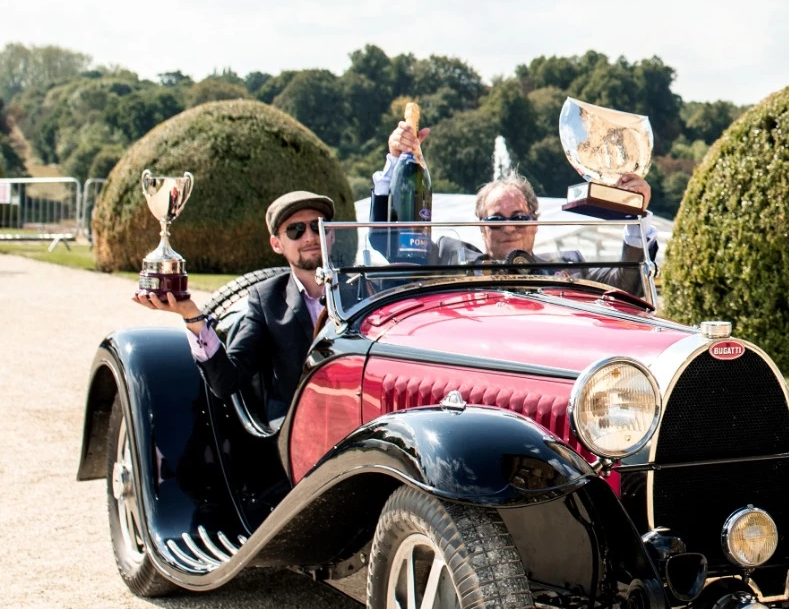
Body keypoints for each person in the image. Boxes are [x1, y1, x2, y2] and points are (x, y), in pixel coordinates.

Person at [380, 122, 658, 297]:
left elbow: (627, 284)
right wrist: (396, 161)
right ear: (481, 226)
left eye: (519, 218)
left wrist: (635, 210)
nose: (509, 227)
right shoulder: (448, 256)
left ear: (535, 223)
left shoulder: (569, 266)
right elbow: (388, 240)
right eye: (496, 220)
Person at [134, 190, 335, 425]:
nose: (310, 237)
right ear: (277, 244)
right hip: (298, 428)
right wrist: (191, 316)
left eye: (318, 226)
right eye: (295, 230)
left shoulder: (365, 289)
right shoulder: (268, 299)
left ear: (331, 234)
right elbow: (227, 380)